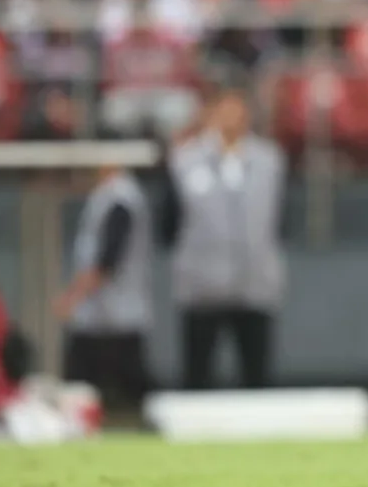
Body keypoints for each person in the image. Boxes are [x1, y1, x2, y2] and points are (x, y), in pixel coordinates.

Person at [167, 87, 286, 390]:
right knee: (197, 373)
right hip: (203, 284)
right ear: (211, 114)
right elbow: (168, 223)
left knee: (256, 373)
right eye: (225, 110)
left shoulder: (269, 160)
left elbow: (281, 218)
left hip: (255, 281)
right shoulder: (185, 160)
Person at [55, 154, 156, 416]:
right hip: (104, 311)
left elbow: (107, 260)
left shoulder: (121, 198)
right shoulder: (106, 194)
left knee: (119, 391)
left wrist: (72, 296)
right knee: (88, 387)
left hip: (115, 311)